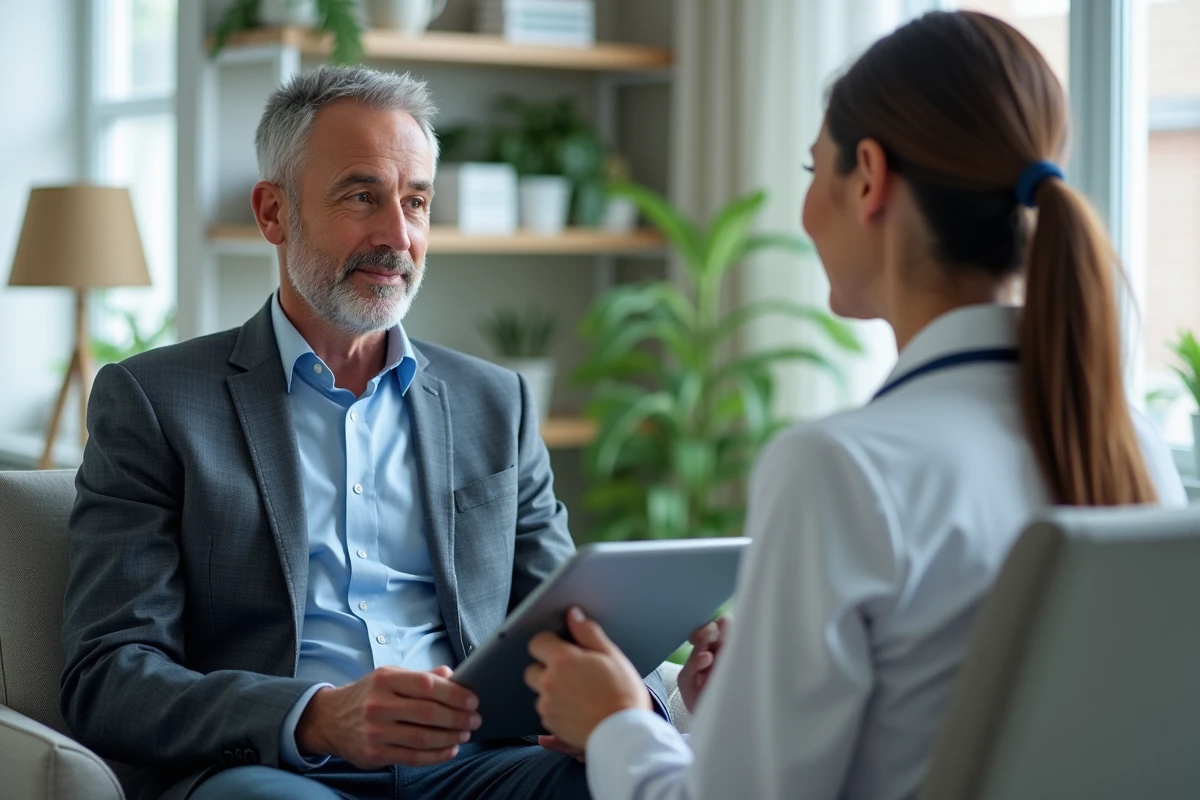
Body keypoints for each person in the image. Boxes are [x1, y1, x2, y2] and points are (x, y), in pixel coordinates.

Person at [523, 11, 1187, 800]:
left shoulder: (845, 468)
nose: (806, 210)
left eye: (813, 172)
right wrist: (724, 718)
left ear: (868, 178)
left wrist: (616, 722)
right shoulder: (1129, 444)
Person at [59, 66, 667, 800]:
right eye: (361, 196)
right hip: (271, 770)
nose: (398, 235)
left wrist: (663, 690)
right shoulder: (155, 402)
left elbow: (565, 623)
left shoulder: (493, 403)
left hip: (474, 767)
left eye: (416, 202)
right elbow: (109, 674)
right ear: (273, 213)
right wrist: (316, 718)